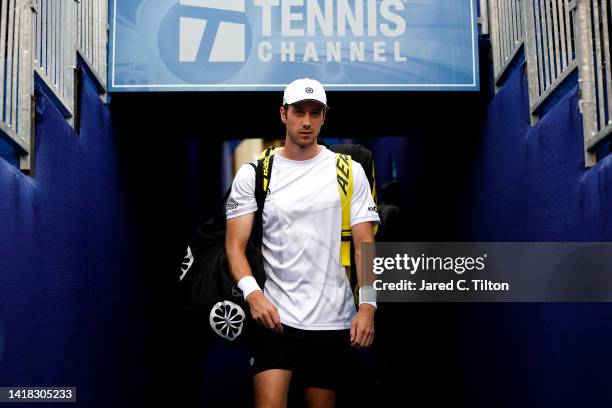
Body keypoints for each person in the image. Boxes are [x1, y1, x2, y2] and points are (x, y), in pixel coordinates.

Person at [225, 78, 380, 408]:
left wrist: (368, 306)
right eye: (298, 112)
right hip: (274, 316)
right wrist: (253, 295)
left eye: (314, 112)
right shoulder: (254, 174)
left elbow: (364, 244)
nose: (306, 121)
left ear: (324, 117)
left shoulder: (350, 172)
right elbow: (234, 247)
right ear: (284, 114)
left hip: (333, 319)